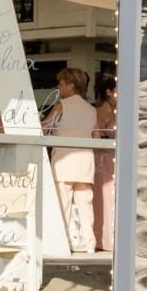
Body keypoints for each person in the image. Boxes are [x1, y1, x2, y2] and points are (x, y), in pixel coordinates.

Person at [42, 67, 97, 255]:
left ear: (71, 86)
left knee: (62, 206)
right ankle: (90, 244)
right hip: (85, 163)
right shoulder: (91, 110)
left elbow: (45, 128)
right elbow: (95, 136)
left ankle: (61, 244)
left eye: (61, 83)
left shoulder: (61, 106)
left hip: (64, 163)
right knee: (86, 207)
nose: (59, 87)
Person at [92, 74, 117, 254]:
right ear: (109, 92)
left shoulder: (125, 109)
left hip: (116, 158)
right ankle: (100, 239)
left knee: (114, 198)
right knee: (100, 198)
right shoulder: (95, 110)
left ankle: (113, 238)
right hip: (99, 158)